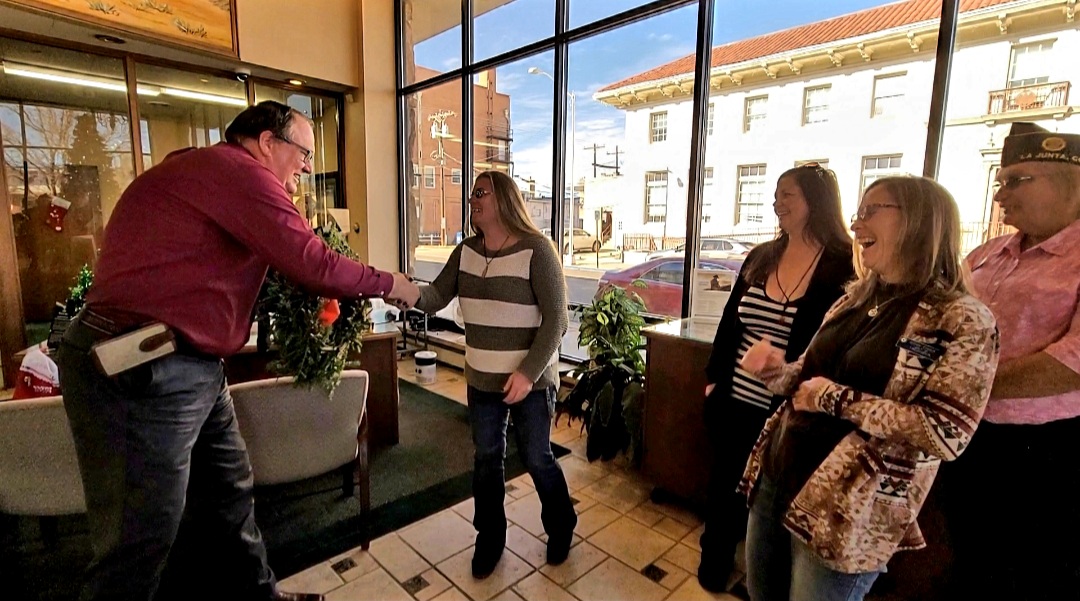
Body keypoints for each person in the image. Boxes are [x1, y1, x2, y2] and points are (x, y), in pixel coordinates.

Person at [56, 100, 420, 601]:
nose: (307, 168)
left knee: (229, 493)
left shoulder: (205, 172)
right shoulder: (236, 172)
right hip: (144, 367)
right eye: (303, 153)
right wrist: (391, 283)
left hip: (194, 366)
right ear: (267, 143)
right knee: (137, 539)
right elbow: (310, 261)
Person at [738, 176, 999, 601]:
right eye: (858, 213)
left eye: (872, 211)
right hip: (780, 473)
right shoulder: (853, 299)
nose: (857, 226)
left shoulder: (963, 320)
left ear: (920, 221)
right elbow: (805, 378)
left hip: (848, 510)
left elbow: (945, 432)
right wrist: (775, 373)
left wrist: (833, 399)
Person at [698, 163, 854, 595]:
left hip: (788, 411)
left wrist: (785, 365)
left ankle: (762, 578)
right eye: (777, 193)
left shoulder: (844, 265)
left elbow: (838, 345)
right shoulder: (762, 255)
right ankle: (714, 561)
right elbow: (731, 323)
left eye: (789, 194)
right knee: (723, 487)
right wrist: (714, 378)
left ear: (816, 202)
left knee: (772, 500)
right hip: (735, 399)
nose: (777, 202)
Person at [414, 170, 577, 579]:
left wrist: (526, 373)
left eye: (479, 193)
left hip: (532, 382)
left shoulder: (537, 250)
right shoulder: (466, 251)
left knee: (538, 457)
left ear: (504, 198)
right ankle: (490, 536)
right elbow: (434, 297)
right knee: (487, 459)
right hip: (482, 380)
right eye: (471, 196)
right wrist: (400, 289)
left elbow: (557, 320)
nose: (472, 201)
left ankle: (561, 525)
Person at [944, 122, 1080, 599]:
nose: (1002, 194)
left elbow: (1071, 362)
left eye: (1018, 180)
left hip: (1044, 450)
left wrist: (961, 386)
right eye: (1001, 181)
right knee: (970, 554)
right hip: (968, 430)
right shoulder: (987, 253)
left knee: (1033, 570)